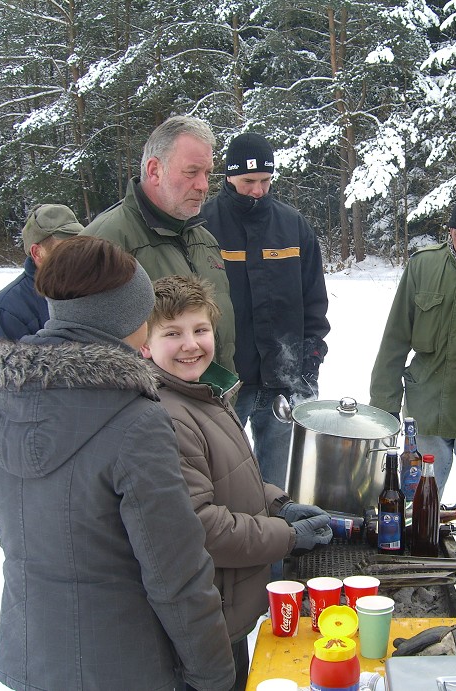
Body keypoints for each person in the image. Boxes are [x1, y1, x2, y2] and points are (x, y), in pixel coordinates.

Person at [0, 236, 235, 691]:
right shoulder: (135, 422)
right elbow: (176, 572)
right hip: (122, 662)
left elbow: (11, 531)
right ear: (129, 317)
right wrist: (213, 674)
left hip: (32, 653)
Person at [140, 274, 333, 691]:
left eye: (200, 330)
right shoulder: (168, 417)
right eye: (172, 333)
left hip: (225, 608)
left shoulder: (204, 393)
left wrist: (279, 503)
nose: (190, 344)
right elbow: (201, 527)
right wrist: (287, 536)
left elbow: (231, 480)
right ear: (145, 345)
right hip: (203, 617)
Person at [369, 193, 456, 617]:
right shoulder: (423, 266)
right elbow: (395, 338)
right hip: (426, 413)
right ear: (448, 232)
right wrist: (383, 408)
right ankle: (414, 580)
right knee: (415, 506)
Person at [202, 132, 329, 489]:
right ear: (229, 176)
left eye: (265, 181)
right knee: (221, 481)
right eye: (248, 182)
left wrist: (311, 356)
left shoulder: (293, 225)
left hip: (283, 379)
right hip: (226, 380)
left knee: (277, 485)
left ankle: (275, 524)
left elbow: (314, 301)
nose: (258, 190)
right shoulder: (204, 225)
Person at [83, 115, 237, 374]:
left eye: (207, 173)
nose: (203, 185)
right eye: (191, 172)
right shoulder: (102, 244)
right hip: (149, 399)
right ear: (155, 170)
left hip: (214, 396)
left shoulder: (204, 239)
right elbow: (89, 357)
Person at [0, 203, 83, 341]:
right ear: (37, 253)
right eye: (64, 249)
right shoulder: (4, 311)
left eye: (80, 245)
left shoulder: (92, 292)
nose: (77, 254)